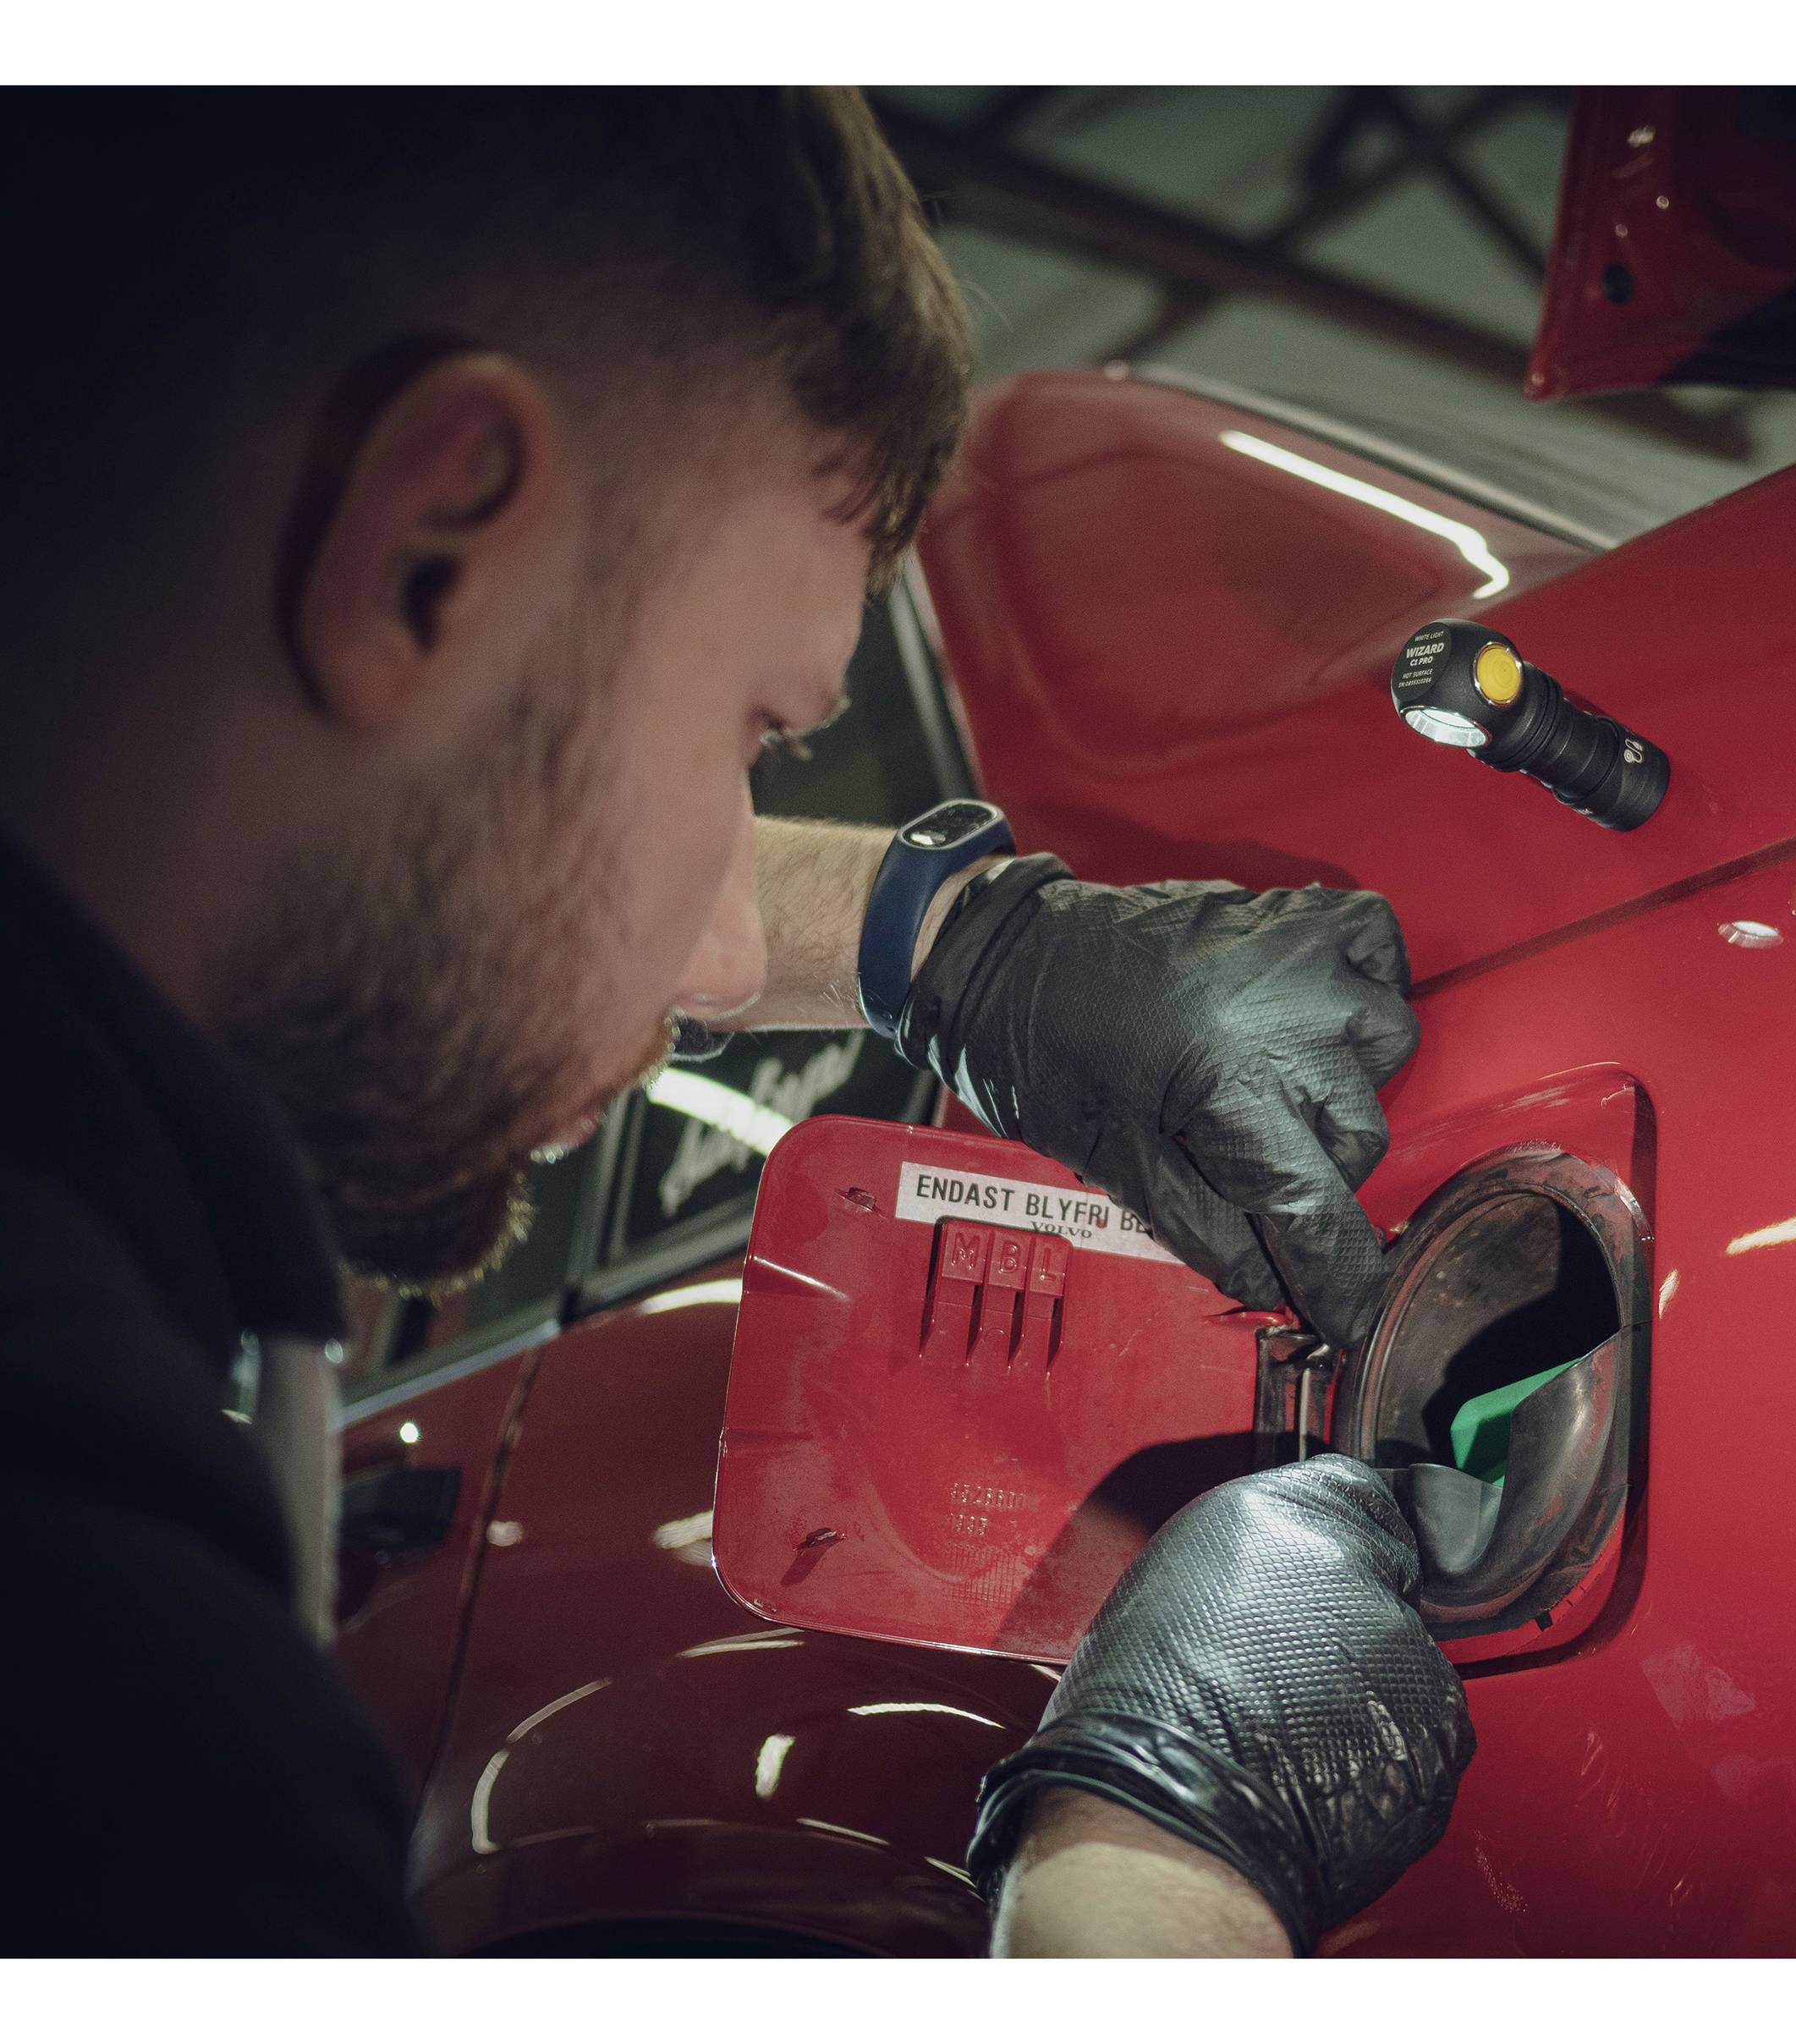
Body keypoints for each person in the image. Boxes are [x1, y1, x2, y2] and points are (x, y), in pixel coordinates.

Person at [0, 87, 1470, 1956]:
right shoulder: (85, 1599)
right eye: (752, 735)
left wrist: (940, 930)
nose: (714, 969)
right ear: (434, 552)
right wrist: (1147, 1873)